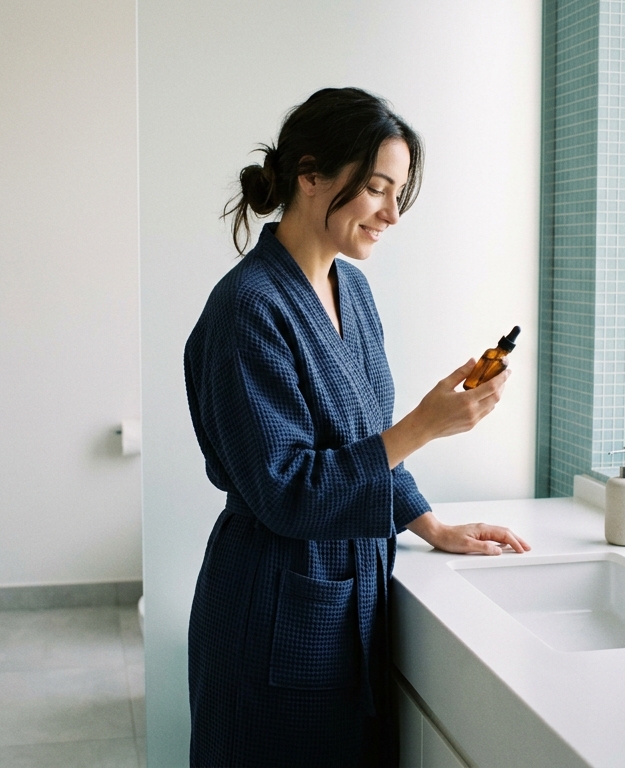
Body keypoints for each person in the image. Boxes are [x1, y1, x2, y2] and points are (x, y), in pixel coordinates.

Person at [183, 87, 531, 767]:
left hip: (350, 601)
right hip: (272, 611)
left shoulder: (355, 293)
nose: (392, 214)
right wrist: (424, 426)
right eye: (377, 189)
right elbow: (287, 490)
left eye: (399, 193)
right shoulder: (247, 309)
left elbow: (361, 441)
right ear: (311, 176)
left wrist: (429, 524)